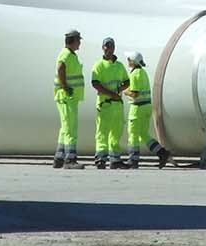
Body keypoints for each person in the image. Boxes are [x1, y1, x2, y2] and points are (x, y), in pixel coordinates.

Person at [123, 50, 171, 169]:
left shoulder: (135, 74)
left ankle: (133, 159)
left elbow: (134, 93)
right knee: (143, 134)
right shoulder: (142, 72)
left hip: (137, 108)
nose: (127, 61)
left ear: (133, 62)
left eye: (128, 59)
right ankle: (161, 153)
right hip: (146, 107)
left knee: (133, 134)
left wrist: (124, 91)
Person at [90, 37, 129, 170]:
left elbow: (127, 81)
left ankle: (115, 159)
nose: (108, 48)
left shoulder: (119, 66)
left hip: (117, 105)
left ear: (114, 48)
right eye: (106, 46)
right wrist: (110, 93)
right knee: (102, 132)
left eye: (111, 46)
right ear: (103, 48)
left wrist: (120, 89)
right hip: (105, 104)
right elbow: (95, 83)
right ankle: (100, 158)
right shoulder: (99, 65)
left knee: (116, 132)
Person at [53, 29, 85, 169]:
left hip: (69, 96)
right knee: (70, 128)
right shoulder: (66, 54)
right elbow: (61, 68)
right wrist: (65, 86)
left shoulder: (71, 55)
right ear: (72, 41)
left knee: (64, 127)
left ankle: (59, 157)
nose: (79, 44)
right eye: (78, 41)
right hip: (67, 96)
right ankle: (70, 159)